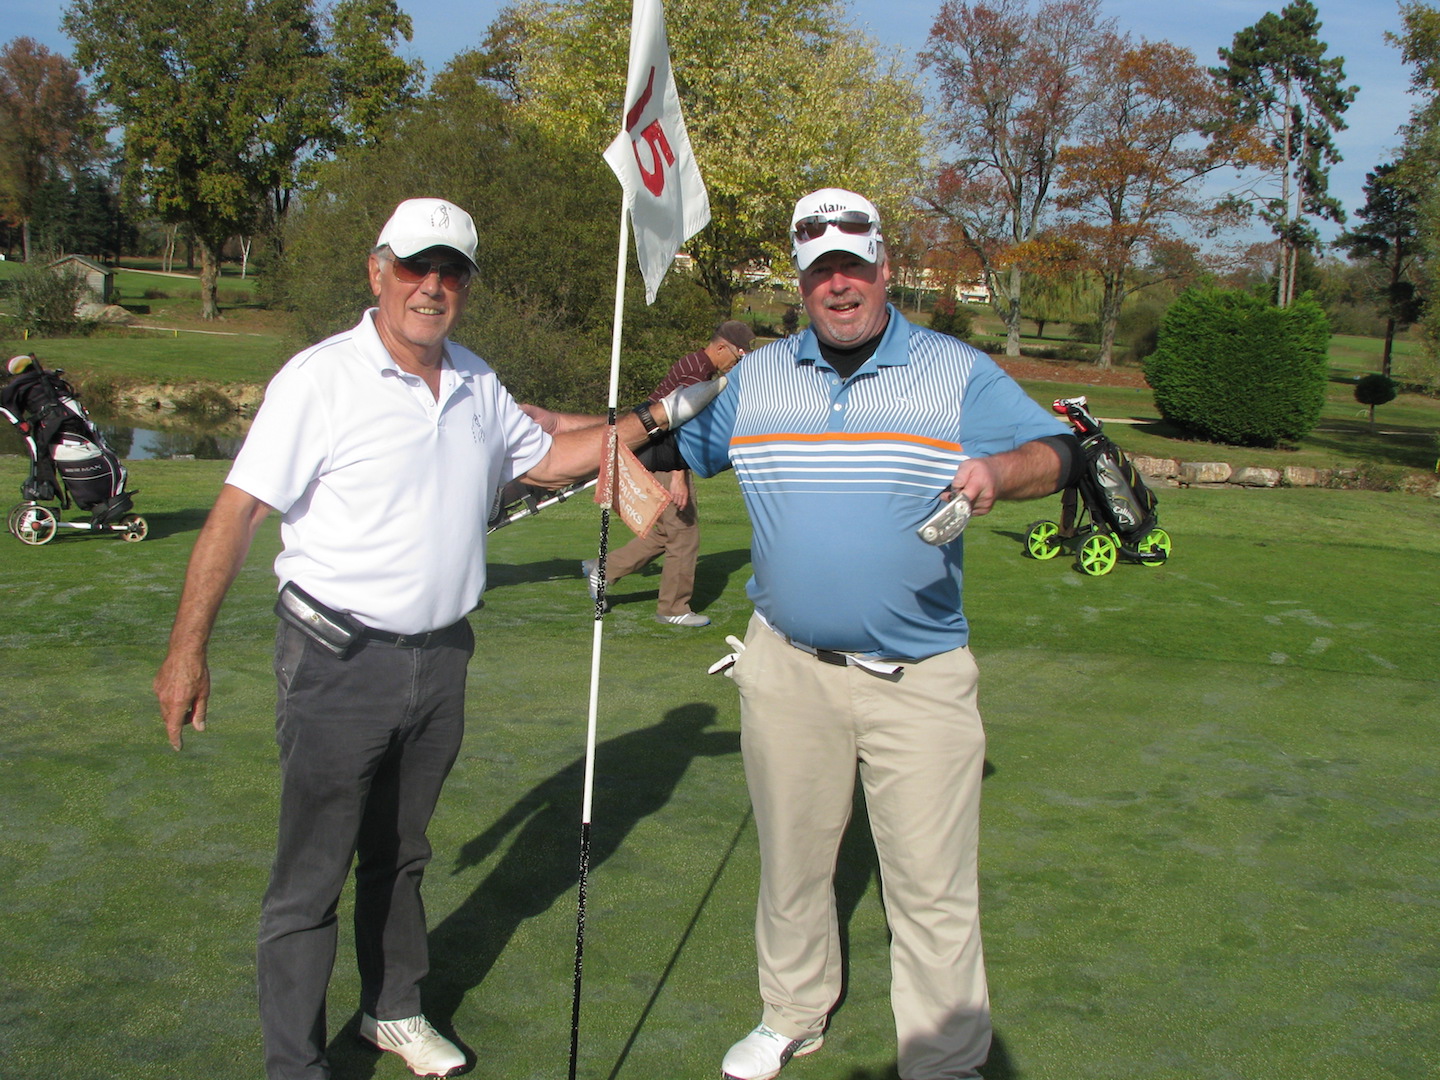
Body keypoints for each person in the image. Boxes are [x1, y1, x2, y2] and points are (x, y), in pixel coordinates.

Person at [151, 197, 722, 1080]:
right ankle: (293, 1064)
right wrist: (187, 648)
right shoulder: (320, 378)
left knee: (402, 853)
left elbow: (556, 458)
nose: (432, 286)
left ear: (465, 286)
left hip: (442, 656)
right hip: (335, 656)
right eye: (415, 267)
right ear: (378, 271)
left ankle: (395, 1010)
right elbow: (237, 511)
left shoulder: (475, 382)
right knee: (312, 875)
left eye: (450, 271)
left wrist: (660, 414)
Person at [673, 189, 1082, 1080]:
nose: (840, 283)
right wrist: (605, 443)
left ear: (884, 267)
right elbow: (675, 444)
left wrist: (999, 471)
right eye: (822, 269)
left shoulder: (954, 370)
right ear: (803, 278)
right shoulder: (759, 376)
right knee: (791, 862)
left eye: (854, 264)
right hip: (786, 667)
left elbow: (1060, 452)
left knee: (931, 887)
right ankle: (792, 1012)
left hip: (921, 674)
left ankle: (944, 1057)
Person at [580, 319, 753, 627]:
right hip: (662, 458)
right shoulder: (696, 372)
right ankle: (672, 609)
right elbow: (674, 424)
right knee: (684, 534)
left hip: (652, 456)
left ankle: (603, 569)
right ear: (721, 347)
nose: (734, 365)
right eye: (737, 358)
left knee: (666, 533)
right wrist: (679, 477)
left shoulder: (698, 366)